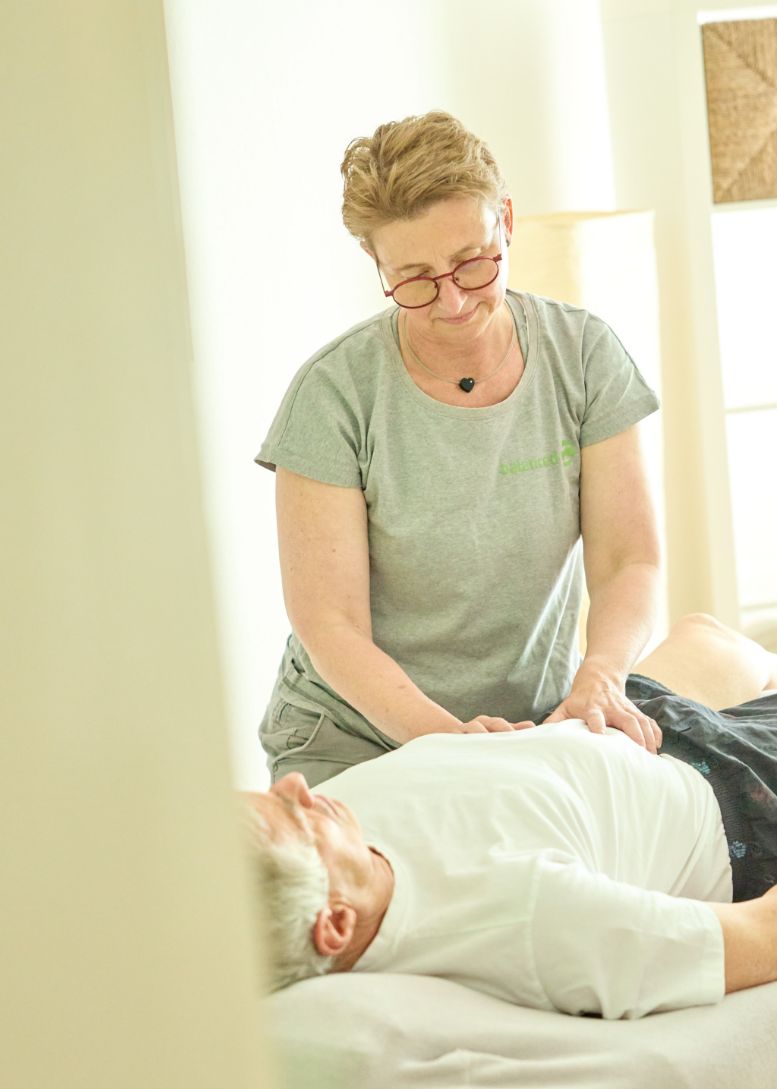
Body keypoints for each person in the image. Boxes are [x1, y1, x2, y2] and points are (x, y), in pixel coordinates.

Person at [256, 111, 663, 787]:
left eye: (471, 264)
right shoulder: (333, 394)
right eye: (414, 279)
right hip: (353, 731)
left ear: (505, 218)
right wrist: (445, 741)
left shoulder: (583, 355)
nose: (449, 302)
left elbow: (630, 559)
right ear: (374, 262)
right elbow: (329, 621)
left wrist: (599, 677)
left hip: (529, 723)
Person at [243, 613, 777, 1019]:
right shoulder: (532, 922)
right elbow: (761, 936)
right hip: (733, 796)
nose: (294, 785)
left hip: (605, 719)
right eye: (297, 819)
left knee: (706, 632)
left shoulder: (339, 824)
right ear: (335, 924)